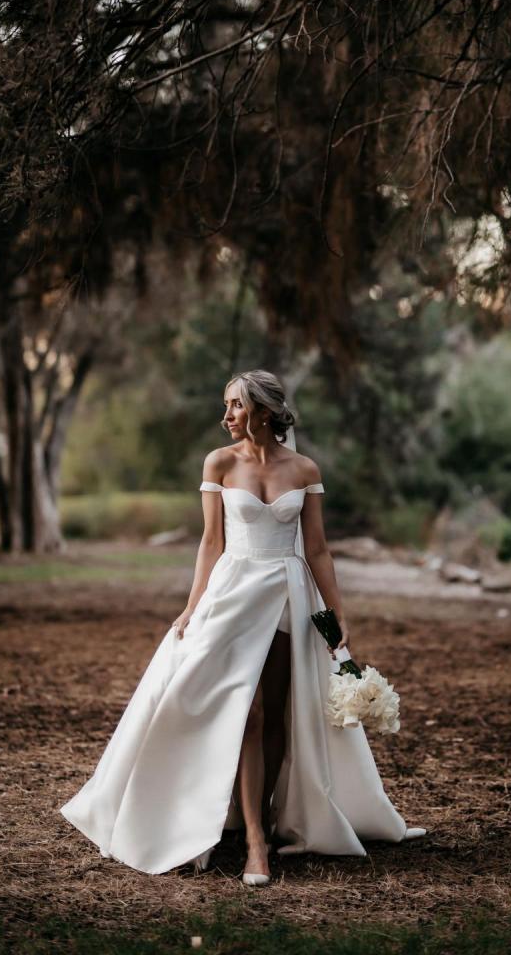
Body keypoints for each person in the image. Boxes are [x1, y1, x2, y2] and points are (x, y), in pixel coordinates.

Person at [59, 369, 426, 885]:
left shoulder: (303, 469)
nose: (226, 415)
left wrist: (337, 613)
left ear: (263, 410)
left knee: (277, 713)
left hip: (289, 597)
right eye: (227, 404)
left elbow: (316, 548)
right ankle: (254, 842)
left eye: (234, 405)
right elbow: (211, 543)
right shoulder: (220, 462)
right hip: (233, 594)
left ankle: (270, 819)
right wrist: (191, 607)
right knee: (246, 712)